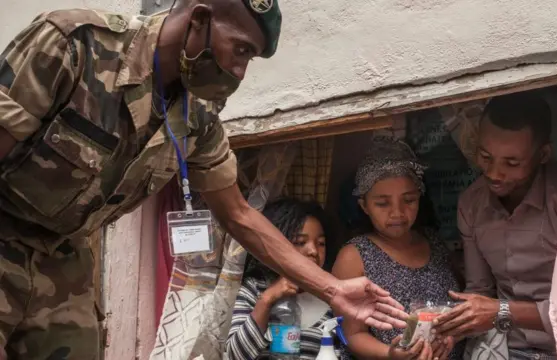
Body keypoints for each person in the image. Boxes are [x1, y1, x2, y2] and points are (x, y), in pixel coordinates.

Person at [0, 1, 405, 358]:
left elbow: (239, 215)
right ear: (198, 20)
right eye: (241, 49)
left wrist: (333, 289)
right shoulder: (76, 44)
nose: (241, 71)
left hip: (64, 256)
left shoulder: (198, 116)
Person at [432, 92, 557, 360]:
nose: (494, 173)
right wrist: (452, 329)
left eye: (511, 163)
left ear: (543, 154)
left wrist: (500, 311)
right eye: (485, 156)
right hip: (506, 346)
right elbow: (480, 290)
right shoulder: (471, 204)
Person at [332, 137, 462, 360]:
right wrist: (391, 354)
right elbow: (351, 334)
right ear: (364, 205)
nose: (397, 213)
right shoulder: (354, 256)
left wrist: (452, 336)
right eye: (383, 203)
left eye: (409, 200)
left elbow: (456, 308)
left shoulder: (434, 242)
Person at [226, 198, 335, 359]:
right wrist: (267, 300)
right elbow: (235, 356)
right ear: (276, 246)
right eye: (300, 242)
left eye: (321, 243)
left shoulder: (331, 293)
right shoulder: (256, 287)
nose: (313, 250)